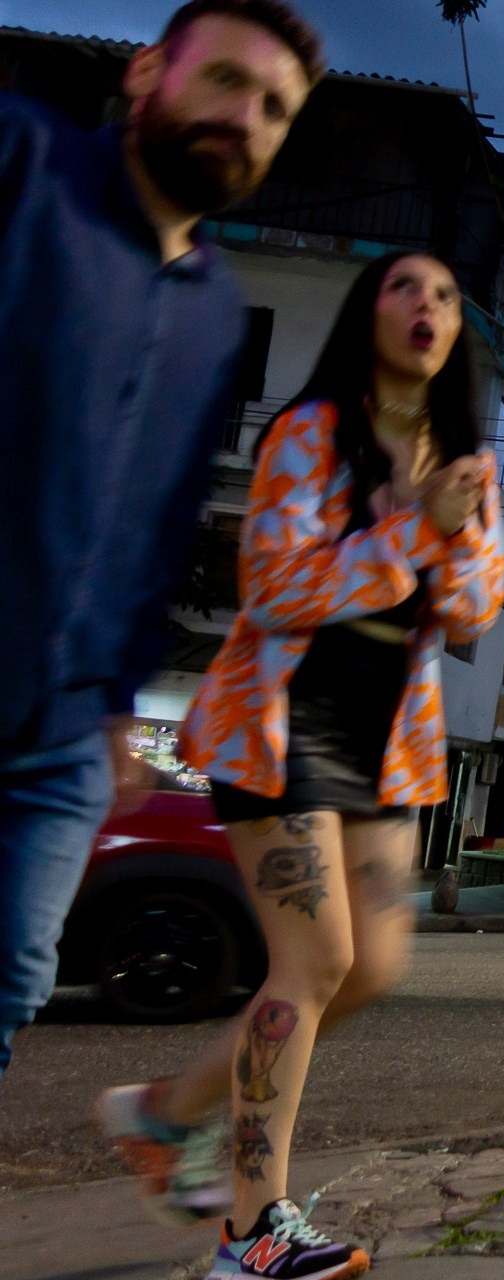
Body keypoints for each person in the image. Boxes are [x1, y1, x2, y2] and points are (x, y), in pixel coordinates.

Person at [95, 247, 504, 1280]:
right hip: (280, 724)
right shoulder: (310, 433)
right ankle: (250, 1233)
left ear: (460, 333)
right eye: (403, 287)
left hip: (386, 741)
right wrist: (419, 526)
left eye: (448, 296)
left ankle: (161, 1116)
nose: (427, 305)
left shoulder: (466, 456)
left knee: (369, 967)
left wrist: (452, 530)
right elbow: (278, 587)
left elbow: (473, 608)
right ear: (368, 314)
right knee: (311, 960)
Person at [0, 0, 322, 1082]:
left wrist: (113, 706)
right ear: (146, 74)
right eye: (226, 81)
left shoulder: (214, 312)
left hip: (61, 730)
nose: (246, 117)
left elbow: (159, 522)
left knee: (10, 982)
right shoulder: (24, 166)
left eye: (274, 108)